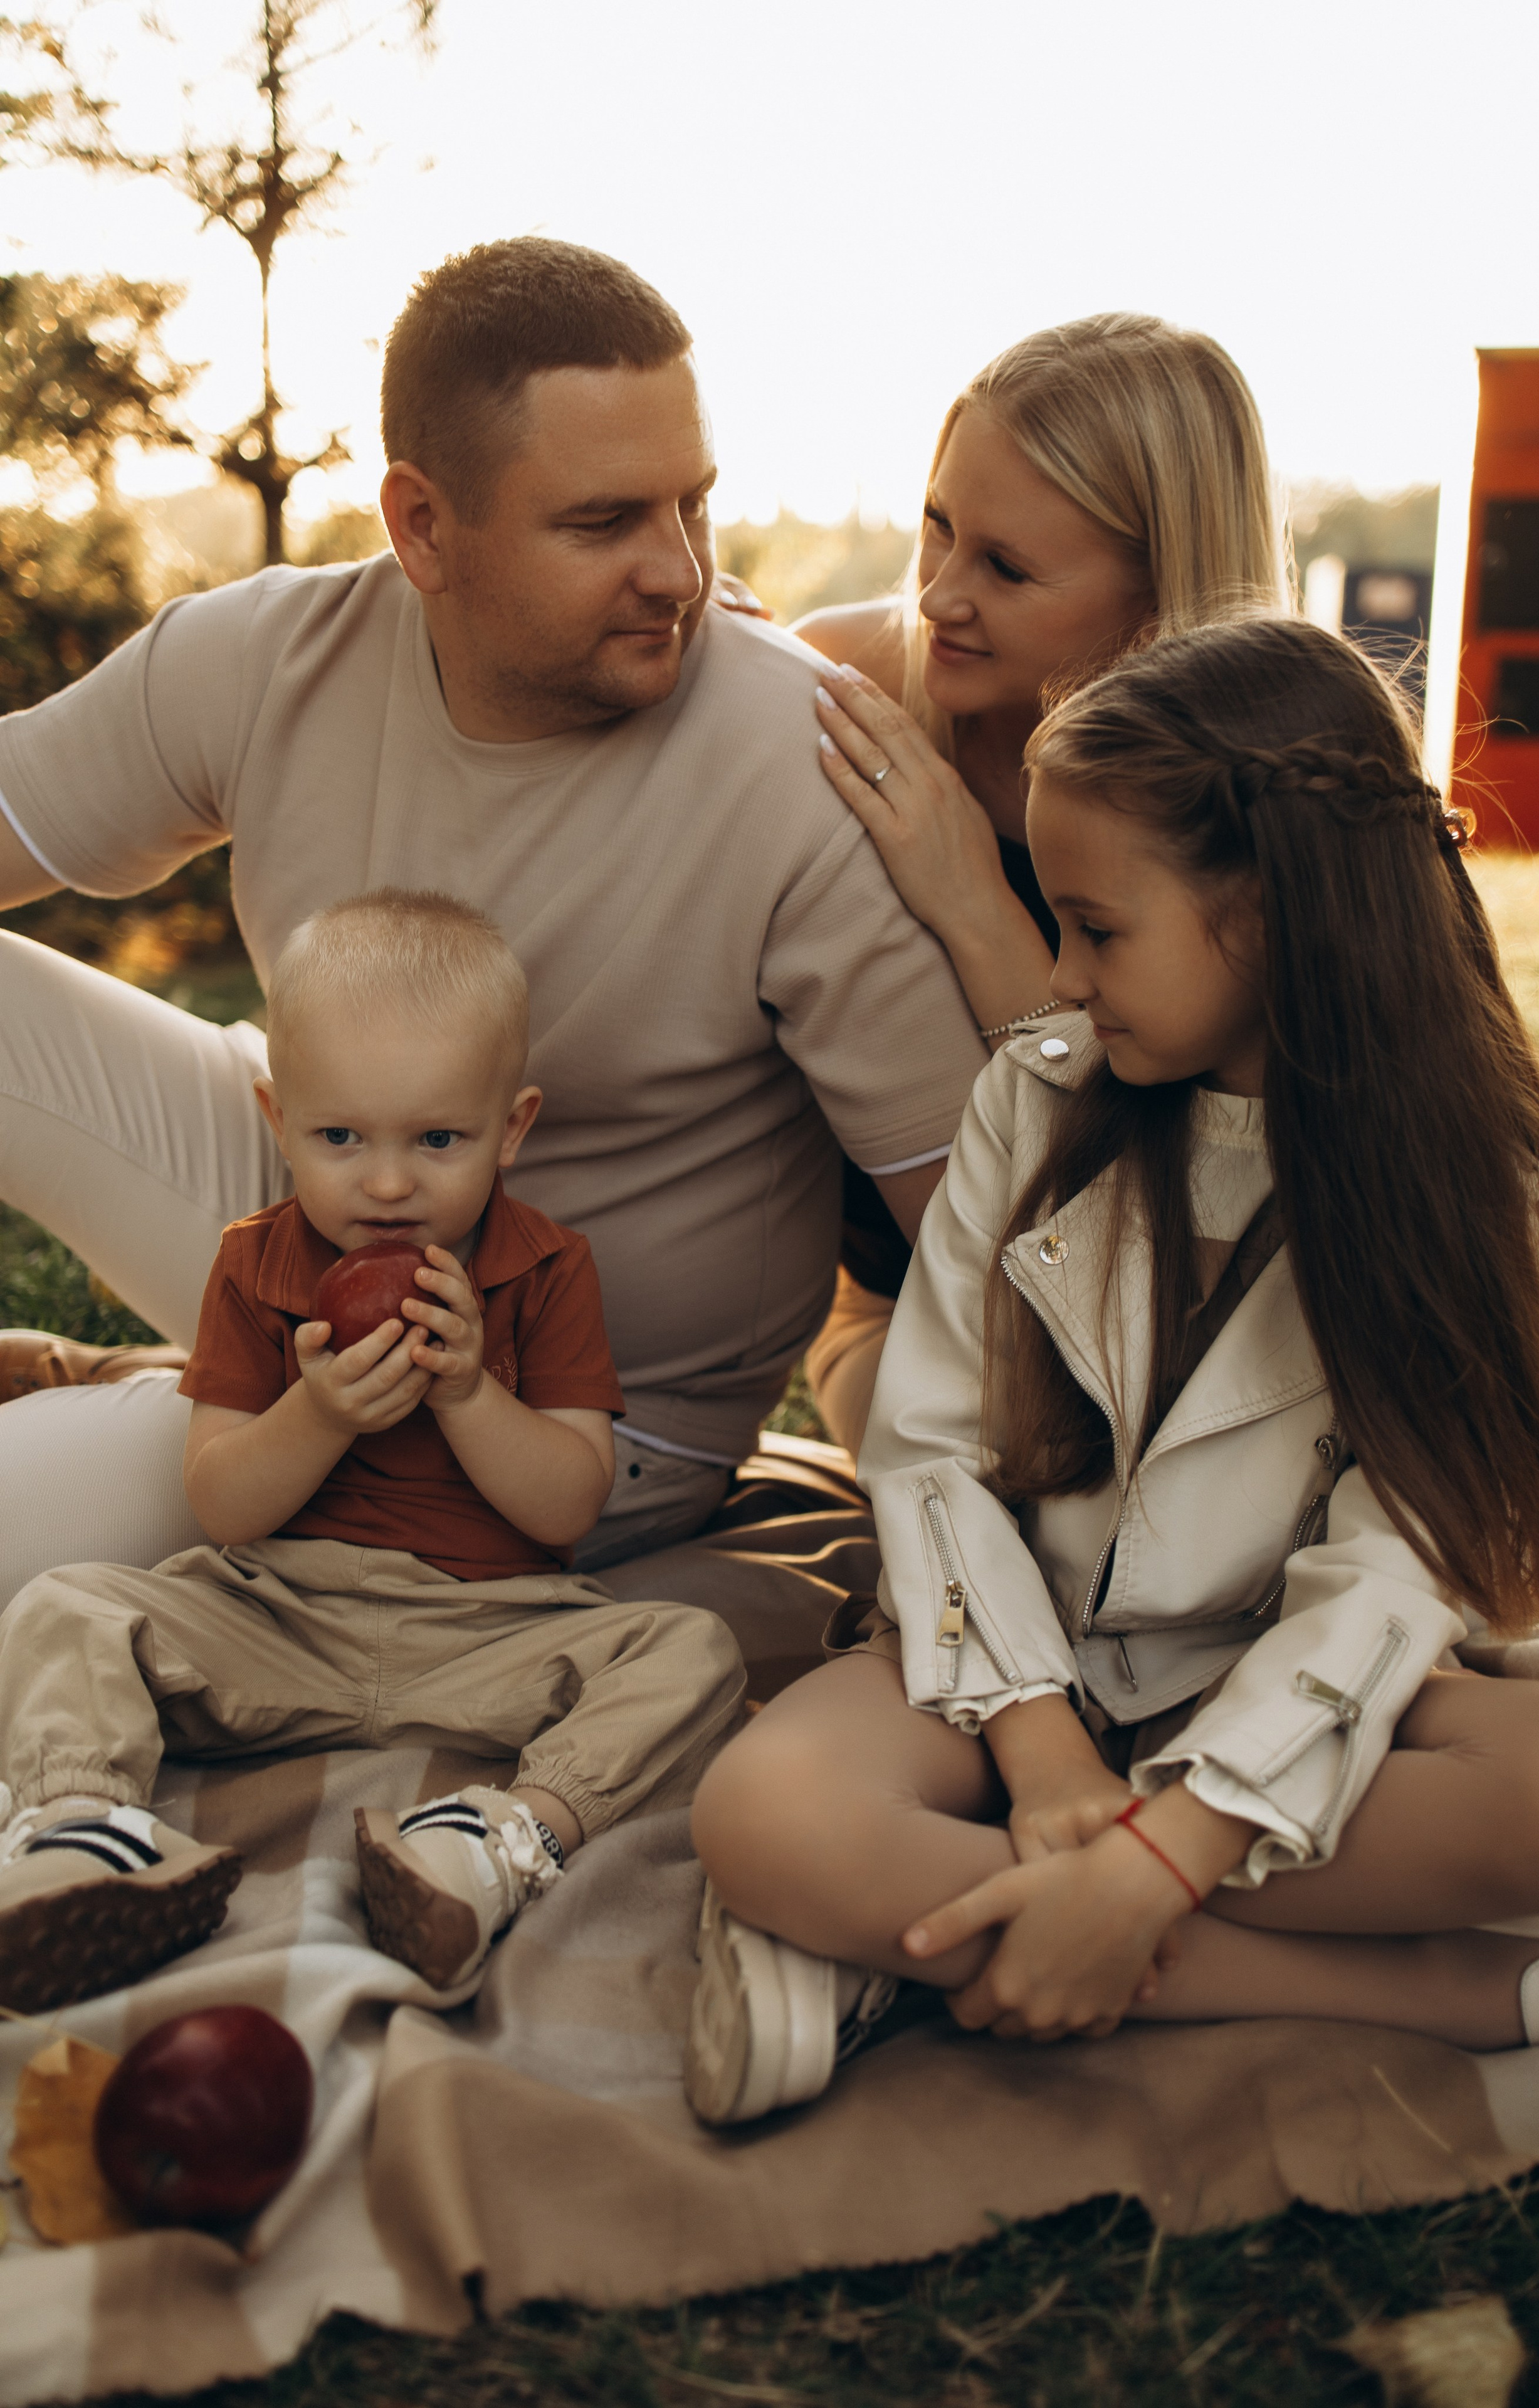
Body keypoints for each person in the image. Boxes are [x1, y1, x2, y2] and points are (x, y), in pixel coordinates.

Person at [681, 615, 1539, 2126]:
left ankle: (906, 1958)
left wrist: (1162, 1855)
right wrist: (1049, 1771)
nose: (1056, 972)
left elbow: (1399, 1562)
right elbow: (924, 1456)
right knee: (764, 1816)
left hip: (1267, 1702)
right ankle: (1454, 1993)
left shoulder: (1465, 1175)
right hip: (1001, 1677)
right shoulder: (1032, 1103)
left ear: (1266, 915)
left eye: (1094, 929)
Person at [0, 235, 984, 1605]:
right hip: (300, 1200)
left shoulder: (799, 766)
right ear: (420, 528)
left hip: (559, 1415)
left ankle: (116, 1411)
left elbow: (979, 1226)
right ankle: (151, 1397)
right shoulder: (265, 660)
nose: (680, 573)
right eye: (604, 522)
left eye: (691, 507)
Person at [0, 890, 745, 2014]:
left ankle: (495, 1842)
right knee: (68, 1608)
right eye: (339, 1137)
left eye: (438, 1140)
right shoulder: (255, 1265)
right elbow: (222, 1503)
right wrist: (320, 1415)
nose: (388, 1185)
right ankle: (86, 1833)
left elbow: (567, 1507)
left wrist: (467, 1392)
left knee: (693, 1651)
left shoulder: (545, 1270)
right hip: (283, 1613)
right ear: (276, 1115)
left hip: (482, 1630)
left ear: (514, 1127)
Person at [794, 315, 1288, 1455]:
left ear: (1156, 618)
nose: (935, 599)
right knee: (1021, 1477)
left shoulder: (1255, 805)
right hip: (901, 1309)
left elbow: (1149, 1173)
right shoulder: (853, 685)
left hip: (1176, 1327)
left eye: (1006, 569)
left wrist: (974, 902)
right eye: (937, 529)